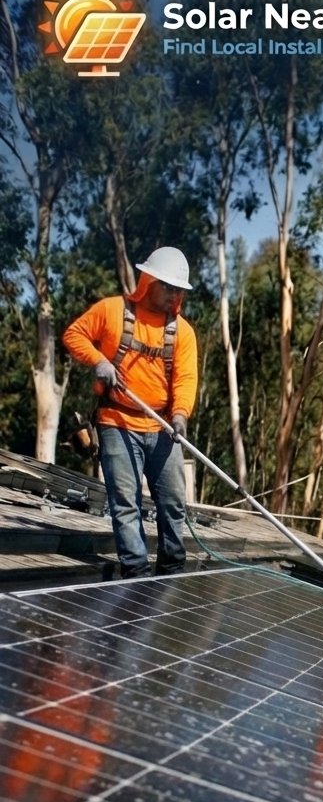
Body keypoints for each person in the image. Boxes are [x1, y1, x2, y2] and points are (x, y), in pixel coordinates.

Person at [63, 247, 198, 578]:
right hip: (117, 422)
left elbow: (185, 378)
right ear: (148, 281)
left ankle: (171, 571)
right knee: (126, 502)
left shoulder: (182, 332)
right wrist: (99, 361)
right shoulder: (111, 311)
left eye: (179, 289)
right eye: (168, 286)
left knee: (172, 504)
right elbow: (73, 335)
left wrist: (180, 415)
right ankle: (137, 575)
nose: (174, 294)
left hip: (163, 427)